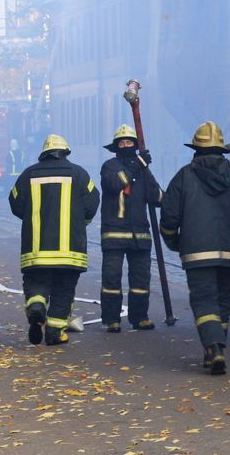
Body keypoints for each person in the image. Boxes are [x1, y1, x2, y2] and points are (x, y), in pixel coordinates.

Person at [159, 121, 230, 375]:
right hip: (229, 252)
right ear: (222, 150)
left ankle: (213, 348)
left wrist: (174, 241)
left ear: (196, 149)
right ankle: (218, 347)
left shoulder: (183, 177)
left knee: (204, 300)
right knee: (222, 301)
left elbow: (169, 218)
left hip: (196, 253)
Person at [9, 134, 100, 346]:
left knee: (36, 283)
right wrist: (81, 222)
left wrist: (33, 216)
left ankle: (36, 306)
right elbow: (93, 202)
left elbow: (15, 202)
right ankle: (54, 332)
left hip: (36, 249)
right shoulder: (79, 174)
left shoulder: (28, 174)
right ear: (65, 153)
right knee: (64, 290)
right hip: (70, 251)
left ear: (44, 154)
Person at [99, 124, 162, 333]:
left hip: (140, 236)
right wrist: (139, 164)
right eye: (122, 142)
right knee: (111, 278)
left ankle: (140, 317)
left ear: (135, 145)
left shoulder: (143, 171)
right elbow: (116, 183)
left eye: (129, 142)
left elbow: (157, 195)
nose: (126, 145)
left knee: (141, 280)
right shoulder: (110, 166)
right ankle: (112, 319)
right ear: (116, 146)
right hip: (114, 234)